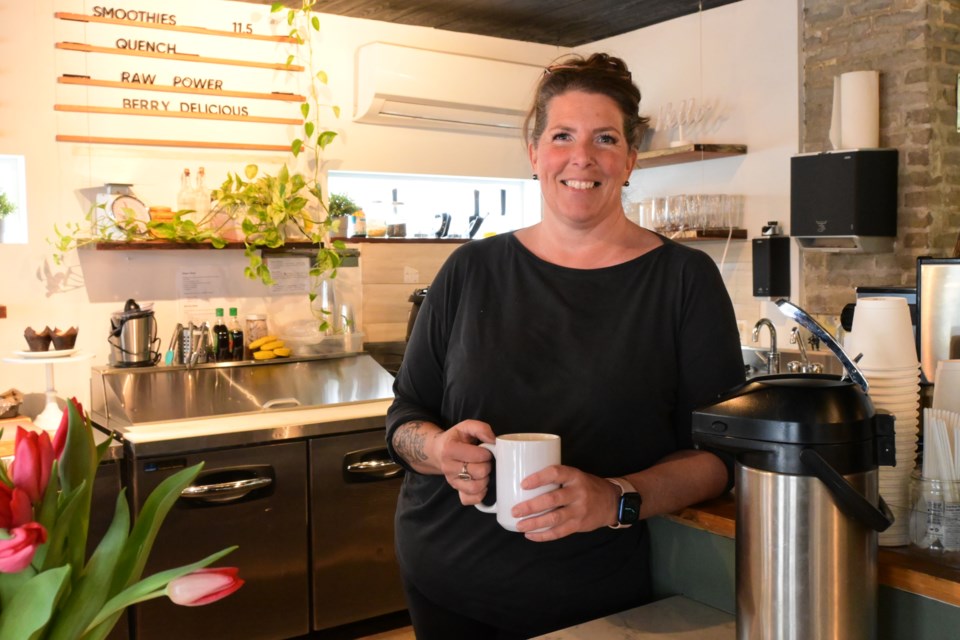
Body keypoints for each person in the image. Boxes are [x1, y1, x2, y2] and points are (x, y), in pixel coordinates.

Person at [385, 52, 745, 639]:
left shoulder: (684, 279)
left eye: (605, 138)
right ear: (534, 155)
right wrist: (438, 449)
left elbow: (717, 457)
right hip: (443, 580)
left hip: (597, 597)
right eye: (561, 136)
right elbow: (405, 419)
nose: (582, 157)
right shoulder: (470, 268)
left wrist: (616, 498)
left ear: (630, 160)